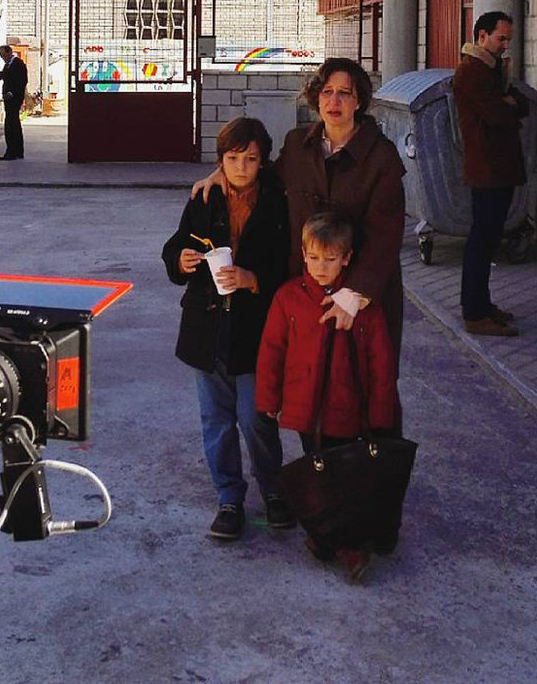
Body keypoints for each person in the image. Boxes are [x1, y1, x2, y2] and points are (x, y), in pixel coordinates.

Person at [194, 57, 406, 370]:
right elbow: (265, 181)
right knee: (304, 383)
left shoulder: (381, 156)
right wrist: (222, 174)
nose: (334, 101)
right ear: (316, 96)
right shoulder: (298, 145)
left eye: (344, 93)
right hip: (302, 289)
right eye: (327, 91)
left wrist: (354, 293)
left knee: (360, 386)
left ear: (358, 100)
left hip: (358, 294)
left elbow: (385, 235)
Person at [161, 117, 292, 540]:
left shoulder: (277, 201)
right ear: (220, 161)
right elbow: (176, 244)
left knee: (256, 418)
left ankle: (274, 491)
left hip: (256, 329)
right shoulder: (205, 198)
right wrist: (179, 261)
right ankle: (229, 498)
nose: (240, 168)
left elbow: (287, 264)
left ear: (263, 162)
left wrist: (254, 280)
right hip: (207, 326)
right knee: (215, 419)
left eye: (250, 159)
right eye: (232, 159)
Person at [255, 211, 399, 583]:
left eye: (330, 259)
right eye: (314, 257)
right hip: (306, 410)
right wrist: (268, 400)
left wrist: (381, 412)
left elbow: (380, 363)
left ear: (347, 258)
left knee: (347, 479)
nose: (321, 267)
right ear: (303, 254)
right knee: (317, 472)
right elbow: (272, 351)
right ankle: (325, 536)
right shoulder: (288, 298)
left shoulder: (363, 307)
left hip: (349, 410)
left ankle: (352, 546)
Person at [453, 11, 529, 337]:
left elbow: (521, 103)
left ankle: (481, 305)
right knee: (481, 241)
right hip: (488, 167)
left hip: (498, 166)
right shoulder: (473, 71)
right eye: (501, 39)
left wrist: (511, 103)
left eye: (508, 39)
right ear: (482, 36)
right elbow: (499, 115)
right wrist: (509, 104)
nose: (505, 45)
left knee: (488, 240)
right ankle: (474, 312)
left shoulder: (490, 69)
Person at [0, 45, 28, 160]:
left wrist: (13, 93)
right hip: (9, 98)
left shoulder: (18, 64)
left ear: (9, 52)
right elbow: (1, 76)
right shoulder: (8, 65)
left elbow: (22, 82)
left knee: (10, 125)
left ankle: (11, 152)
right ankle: (18, 151)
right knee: (15, 124)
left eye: (3, 55)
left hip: (14, 99)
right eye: (1, 55)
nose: (2, 57)